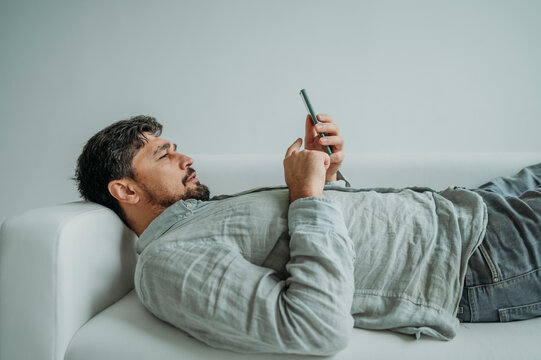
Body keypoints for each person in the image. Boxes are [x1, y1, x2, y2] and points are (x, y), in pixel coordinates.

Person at [75, 115, 541, 356]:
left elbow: (328, 241)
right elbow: (316, 327)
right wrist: (306, 193)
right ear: (125, 189)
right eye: (164, 156)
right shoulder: (166, 263)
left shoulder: (197, 218)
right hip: (476, 257)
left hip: (463, 207)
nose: (186, 159)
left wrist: (329, 178)